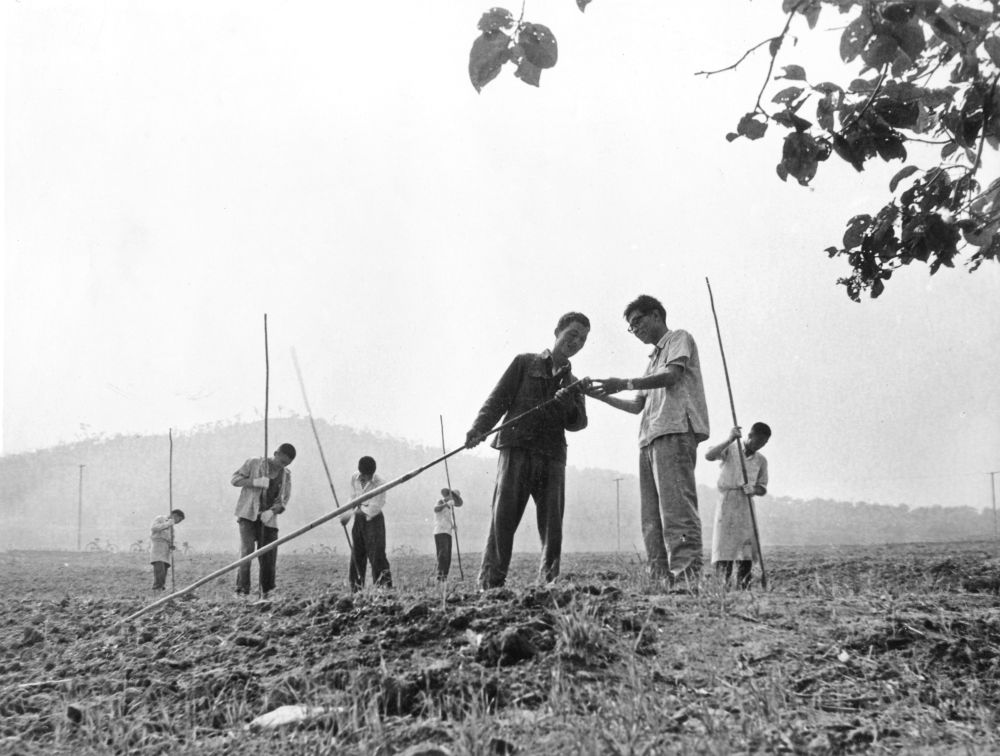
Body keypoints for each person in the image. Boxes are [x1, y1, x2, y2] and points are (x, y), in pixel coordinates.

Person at [589, 295, 709, 588]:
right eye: (632, 327)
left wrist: (626, 382)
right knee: (652, 516)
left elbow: (672, 376)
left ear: (655, 315)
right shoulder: (651, 360)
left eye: (637, 322)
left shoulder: (679, 338)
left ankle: (687, 579)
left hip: (675, 430)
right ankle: (660, 578)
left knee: (677, 510)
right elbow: (636, 406)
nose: (636, 330)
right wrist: (598, 394)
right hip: (648, 438)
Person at [466, 312, 590, 589]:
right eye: (572, 334)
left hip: (553, 456)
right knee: (503, 518)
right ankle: (490, 585)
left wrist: (567, 403)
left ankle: (549, 585)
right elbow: (497, 399)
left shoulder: (575, 383)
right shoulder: (524, 362)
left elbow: (579, 423)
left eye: (582, 339)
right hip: (517, 448)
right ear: (557, 331)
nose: (577, 342)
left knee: (552, 525)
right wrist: (478, 428)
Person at [705, 423, 771, 589]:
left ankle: (744, 588)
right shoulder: (731, 449)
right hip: (727, 501)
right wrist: (729, 439)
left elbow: (763, 487)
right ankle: (722, 588)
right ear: (750, 435)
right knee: (724, 546)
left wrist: (754, 489)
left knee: (745, 549)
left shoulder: (761, 461)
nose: (760, 445)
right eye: (758, 441)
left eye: (764, 443)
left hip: (746, 504)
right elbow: (709, 455)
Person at [231, 442, 296, 598]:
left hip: (268, 520)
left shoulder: (286, 475)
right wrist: (254, 482)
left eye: (286, 464)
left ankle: (266, 591)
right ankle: (242, 590)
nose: (282, 466)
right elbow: (234, 480)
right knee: (247, 552)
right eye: (281, 462)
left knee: (269, 554)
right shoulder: (254, 463)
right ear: (275, 453)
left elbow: (283, 500)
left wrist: (272, 511)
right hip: (248, 515)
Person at [341, 456, 393, 591]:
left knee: (377, 555)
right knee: (357, 554)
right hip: (358, 521)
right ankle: (356, 589)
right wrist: (346, 513)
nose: (367, 479)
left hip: (374, 520)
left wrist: (353, 513)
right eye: (364, 476)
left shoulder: (380, 483)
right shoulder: (354, 478)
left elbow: (375, 506)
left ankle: (383, 589)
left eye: (369, 476)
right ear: (360, 473)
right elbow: (352, 498)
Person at [149, 509, 185, 590]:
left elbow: (171, 538)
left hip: (166, 549)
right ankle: (157, 588)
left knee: (164, 569)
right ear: (175, 515)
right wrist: (168, 523)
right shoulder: (160, 518)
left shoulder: (172, 528)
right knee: (159, 567)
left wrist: (172, 545)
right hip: (158, 546)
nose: (178, 522)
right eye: (179, 520)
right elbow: (154, 528)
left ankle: (161, 587)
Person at [433, 488, 464, 581]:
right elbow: (435, 509)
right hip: (440, 531)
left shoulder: (451, 508)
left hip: (448, 532)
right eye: (452, 497)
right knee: (443, 554)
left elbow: (448, 518)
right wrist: (446, 504)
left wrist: (453, 525)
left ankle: (444, 577)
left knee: (448, 556)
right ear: (449, 495)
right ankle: (440, 577)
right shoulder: (440, 501)